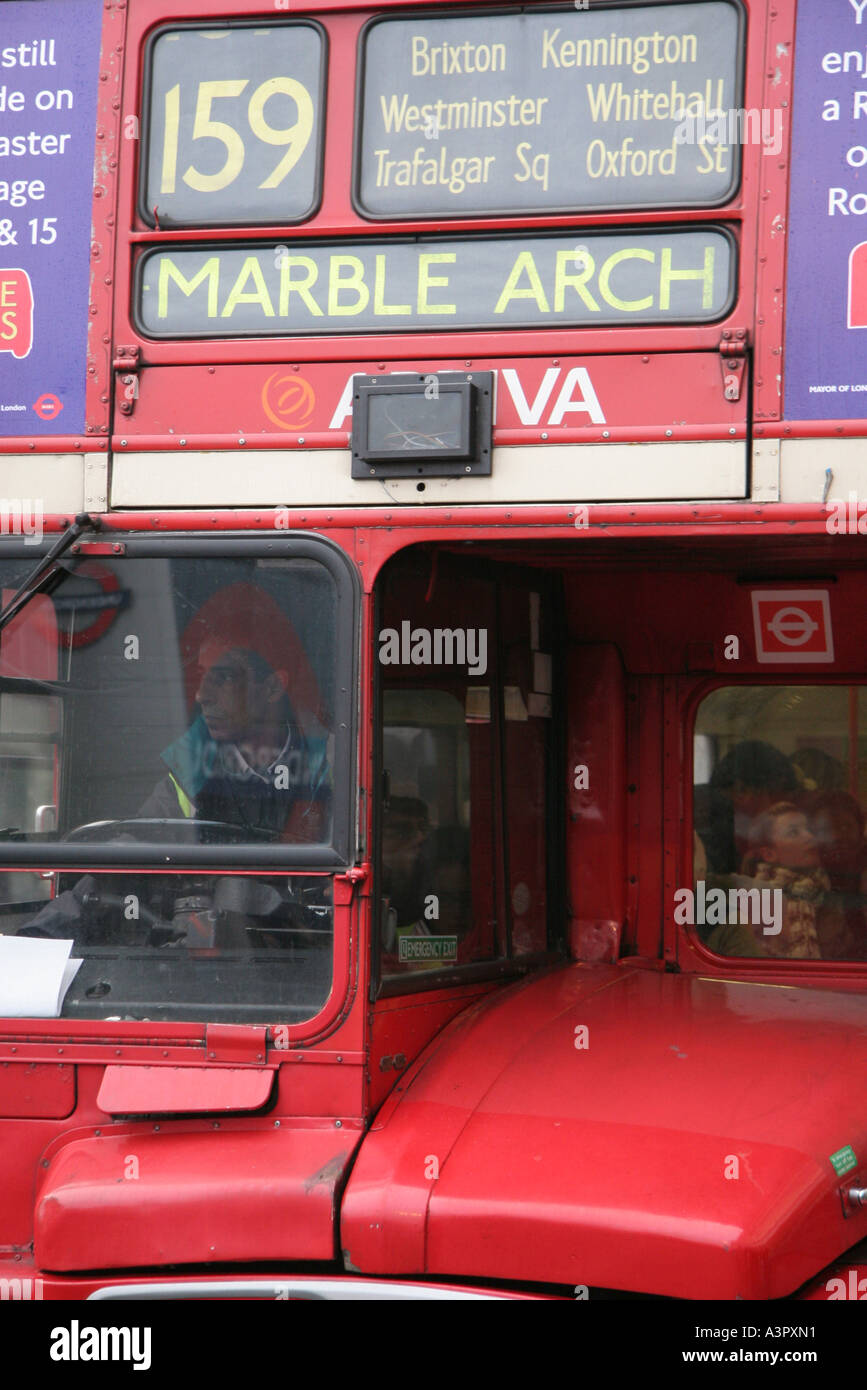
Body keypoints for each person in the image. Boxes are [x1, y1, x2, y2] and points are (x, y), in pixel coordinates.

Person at [19, 583, 330, 941]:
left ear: (274, 687)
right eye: (202, 676)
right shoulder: (190, 766)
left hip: (307, 955)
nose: (202, 695)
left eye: (224, 677)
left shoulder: (334, 763)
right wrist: (36, 941)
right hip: (207, 950)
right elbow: (134, 851)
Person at [740, 801, 825, 959]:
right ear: (769, 854)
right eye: (793, 832)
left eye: (808, 829)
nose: (809, 837)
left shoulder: (820, 887)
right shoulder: (766, 902)